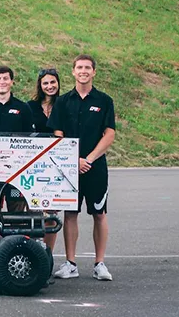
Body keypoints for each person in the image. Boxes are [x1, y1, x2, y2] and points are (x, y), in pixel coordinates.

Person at [50, 55, 116, 282]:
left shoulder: (104, 101)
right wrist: (74, 159)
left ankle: (100, 263)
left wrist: (89, 158)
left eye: (88, 67)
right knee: (70, 214)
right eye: (79, 67)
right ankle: (71, 263)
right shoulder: (63, 101)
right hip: (70, 168)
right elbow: (57, 133)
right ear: (73, 71)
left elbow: (109, 133)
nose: (83, 71)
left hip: (95, 167)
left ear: (94, 72)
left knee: (99, 213)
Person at [30, 68, 61, 133]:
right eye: (45, 83)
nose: (50, 86)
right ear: (40, 85)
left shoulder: (64, 105)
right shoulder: (31, 106)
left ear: (58, 83)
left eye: (53, 82)